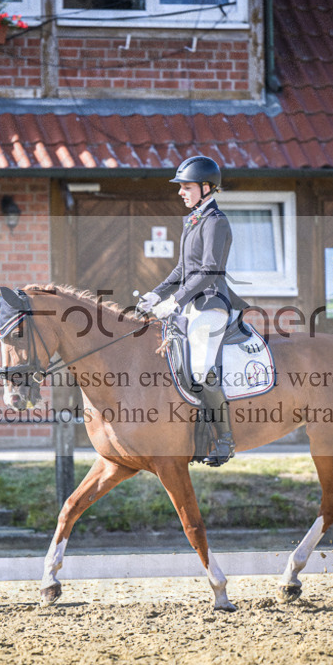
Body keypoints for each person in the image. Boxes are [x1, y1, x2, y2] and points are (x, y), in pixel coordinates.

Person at [139, 156, 248, 466]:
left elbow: (210, 271)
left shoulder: (216, 222)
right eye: (181, 187)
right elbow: (183, 269)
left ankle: (225, 440)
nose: (180, 193)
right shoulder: (193, 220)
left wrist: (175, 301)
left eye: (186, 187)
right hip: (192, 304)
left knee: (201, 371)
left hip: (211, 303)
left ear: (205, 187)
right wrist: (155, 294)